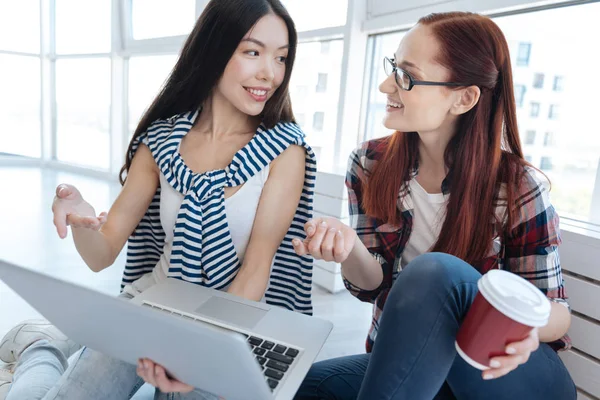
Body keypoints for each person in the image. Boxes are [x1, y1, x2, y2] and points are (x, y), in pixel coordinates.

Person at [0, 0, 317, 398]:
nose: (270, 74)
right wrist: (83, 223)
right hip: (153, 308)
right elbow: (102, 253)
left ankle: (52, 346)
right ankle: (40, 350)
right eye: (252, 52)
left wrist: (189, 352)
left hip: (235, 325)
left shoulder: (285, 151)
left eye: (282, 58)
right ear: (214, 50)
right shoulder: (161, 141)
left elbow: (255, 273)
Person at [292, 11, 576, 400]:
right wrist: (348, 247)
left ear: (463, 98)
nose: (385, 85)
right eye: (393, 67)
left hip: (506, 374)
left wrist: (522, 325)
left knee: (434, 273)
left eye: (406, 76)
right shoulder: (370, 164)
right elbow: (374, 286)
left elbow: (557, 314)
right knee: (301, 388)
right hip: (421, 364)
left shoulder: (517, 187)